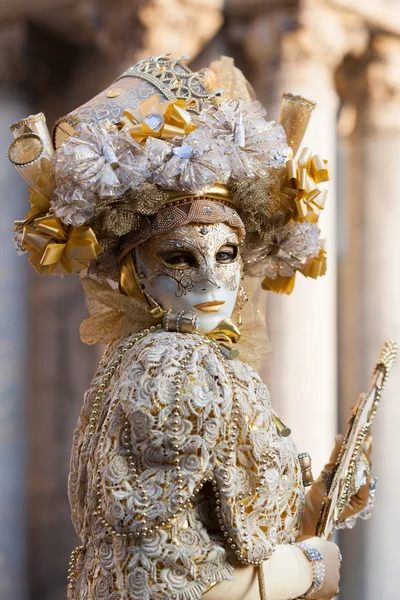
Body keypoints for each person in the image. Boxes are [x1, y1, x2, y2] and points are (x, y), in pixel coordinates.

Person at [9, 54, 369, 600]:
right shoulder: (175, 363)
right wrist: (308, 569)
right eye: (179, 257)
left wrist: (317, 503)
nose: (210, 281)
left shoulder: (154, 357)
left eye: (227, 254)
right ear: (137, 273)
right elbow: (157, 583)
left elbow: (217, 534)